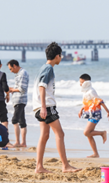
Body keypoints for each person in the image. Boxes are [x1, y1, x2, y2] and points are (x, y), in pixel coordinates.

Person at [33, 42, 81, 173]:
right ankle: (65, 166)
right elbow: (42, 87)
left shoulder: (43, 67)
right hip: (46, 106)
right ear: (57, 56)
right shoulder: (48, 68)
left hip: (39, 106)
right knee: (60, 134)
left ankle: (39, 167)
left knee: (44, 135)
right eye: (61, 56)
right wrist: (43, 107)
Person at [78, 74, 109, 158]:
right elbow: (89, 102)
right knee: (89, 135)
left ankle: (102, 133)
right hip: (90, 113)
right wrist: (81, 109)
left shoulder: (91, 91)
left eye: (82, 82)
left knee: (86, 132)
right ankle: (95, 154)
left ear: (87, 83)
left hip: (95, 114)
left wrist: (108, 112)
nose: (80, 84)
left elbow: (100, 101)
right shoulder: (86, 91)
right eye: (80, 82)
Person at [7, 59, 29, 147]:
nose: (11, 71)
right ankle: (23, 143)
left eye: (10, 69)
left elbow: (22, 89)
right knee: (22, 121)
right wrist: (12, 89)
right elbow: (19, 87)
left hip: (20, 100)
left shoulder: (22, 73)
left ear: (15, 66)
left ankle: (17, 142)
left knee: (14, 120)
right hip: (19, 100)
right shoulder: (19, 74)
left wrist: (11, 89)